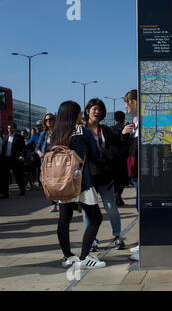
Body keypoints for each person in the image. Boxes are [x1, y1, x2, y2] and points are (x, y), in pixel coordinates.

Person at [52, 100, 106, 269]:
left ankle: (68, 256)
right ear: (74, 114)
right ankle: (84, 257)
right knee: (96, 218)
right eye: (79, 112)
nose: (81, 115)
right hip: (82, 182)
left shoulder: (56, 133)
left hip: (62, 183)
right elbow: (96, 155)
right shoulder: (82, 131)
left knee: (64, 219)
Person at [83, 98, 125, 251]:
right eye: (94, 109)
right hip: (87, 177)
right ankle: (91, 239)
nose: (97, 112)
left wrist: (105, 154)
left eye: (100, 110)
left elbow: (117, 149)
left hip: (105, 176)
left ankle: (117, 235)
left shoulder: (106, 130)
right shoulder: (81, 130)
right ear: (87, 111)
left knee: (111, 207)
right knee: (88, 210)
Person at [121, 90, 139, 260]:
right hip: (135, 170)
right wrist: (124, 135)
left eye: (127, 102)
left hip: (143, 169)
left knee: (143, 205)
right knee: (140, 205)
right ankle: (145, 241)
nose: (126, 106)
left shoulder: (145, 121)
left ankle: (148, 243)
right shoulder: (133, 122)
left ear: (134, 102)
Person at [36, 113, 59, 212]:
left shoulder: (59, 133)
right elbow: (37, 147)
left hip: (58, 161)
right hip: (46, 161)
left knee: (59, 182)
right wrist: (40, 152)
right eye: (46, 120)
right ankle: (54, 203)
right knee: (49, 184)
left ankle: (63, 201)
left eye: (50, 119)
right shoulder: (43, 134)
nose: (48, 121)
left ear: (54, 120)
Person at [1, 123, 26, 198]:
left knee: (18, 175)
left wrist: (22, 156)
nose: (9, 130)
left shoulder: (19, 137)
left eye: (11, 128)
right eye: (8, 128)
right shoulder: (5, 137)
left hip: (15, 159)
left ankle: (22, 190)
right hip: (6, 159)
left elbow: (23, 148)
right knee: (5, 177)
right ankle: (5, 193)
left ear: (15, 129)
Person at [110, 111, 128, 207]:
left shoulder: (110, 129)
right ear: (124, 118)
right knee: (123, 179)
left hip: (113, 158)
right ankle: (117, 196)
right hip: (123, 157)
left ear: (114, 119)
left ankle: (117, 197)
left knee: (115, 179)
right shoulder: (126, 128)